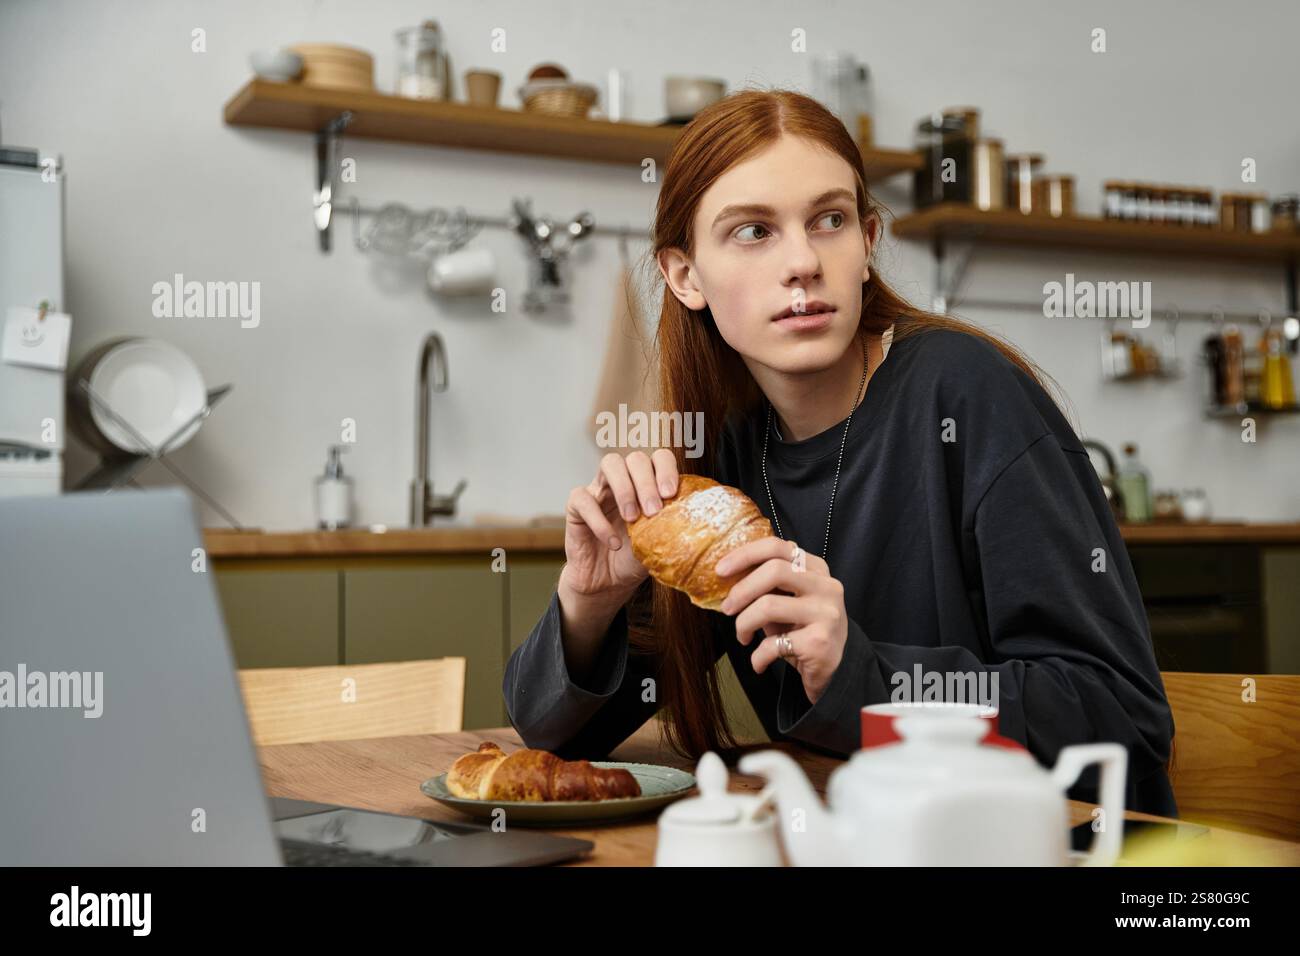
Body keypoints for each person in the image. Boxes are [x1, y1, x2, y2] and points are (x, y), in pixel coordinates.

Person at [503, 89, 1177, 817]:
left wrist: (866, 675)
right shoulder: (727, 452)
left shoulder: (968, 394)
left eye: (829, 220)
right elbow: (555, 735)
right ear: (684, 276)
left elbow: (1121, 717)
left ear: (866, 244)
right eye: (753, 231)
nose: (802, 262)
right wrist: (589, 608)